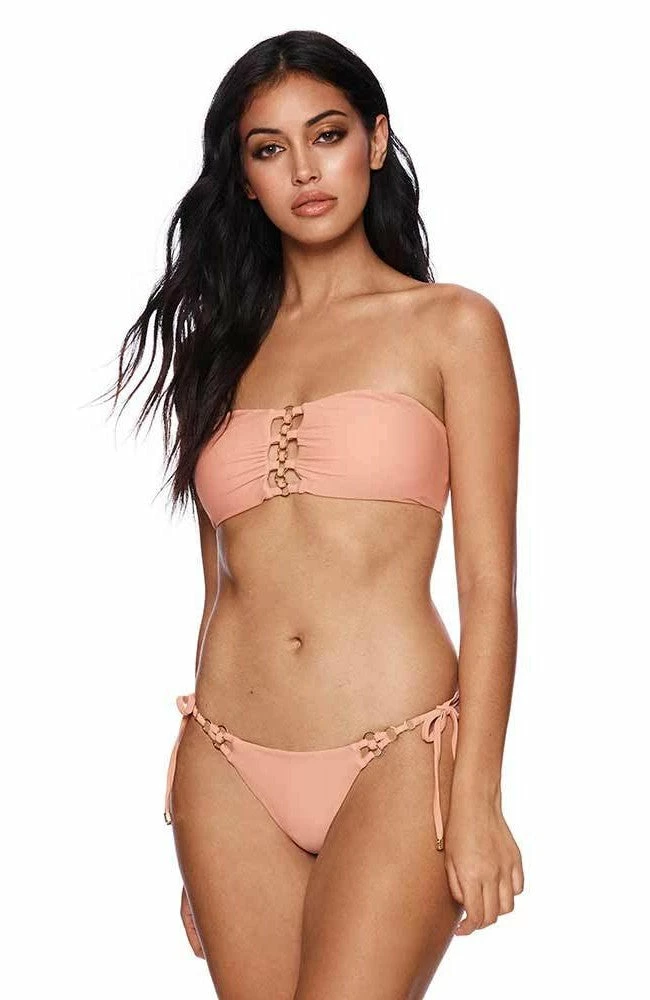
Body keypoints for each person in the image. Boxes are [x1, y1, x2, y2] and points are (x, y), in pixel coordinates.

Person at [100, 29, 524, 1000]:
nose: (303, 169)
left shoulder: (452, 326)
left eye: (326, 135)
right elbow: (220, 585)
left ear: (375, 140)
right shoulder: (216, 350)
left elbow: (489, 584)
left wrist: (478, 796)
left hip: (396, 752)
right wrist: (197, 840)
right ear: (244, 179)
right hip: (227, 769)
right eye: (269, 148)